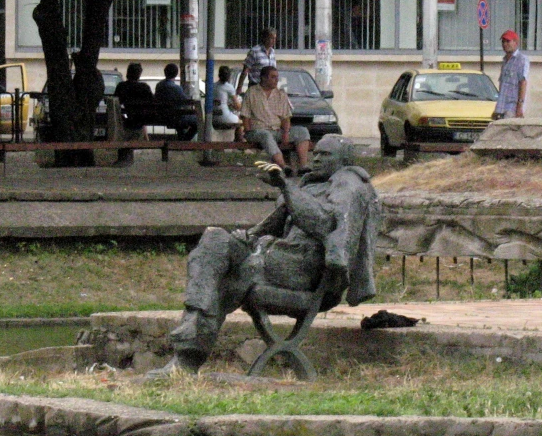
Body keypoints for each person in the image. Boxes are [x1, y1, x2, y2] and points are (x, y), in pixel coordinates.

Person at [146, 134, 380, 376]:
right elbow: (268, 228)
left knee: (228, 276)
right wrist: (242, 238)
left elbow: (323, 224)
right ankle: (188, 340)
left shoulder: (349, 185)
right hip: (275, 257)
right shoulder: (310, 185)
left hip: (303, 271)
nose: (317, 159)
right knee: (214, 240)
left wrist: (286, 188)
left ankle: (187, 358)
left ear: (344, 160)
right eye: (316, 153)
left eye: (325, 154)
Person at [240, 65, 310, 177]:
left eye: (277, 77)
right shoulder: (251, 92)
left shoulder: (280, 94)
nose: (276, 80)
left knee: (302, 131)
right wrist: (248, 133)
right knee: (266, 135)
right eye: (273, 77)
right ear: (263, 78)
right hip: (258, 131)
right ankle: (283, 166)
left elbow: (286, 117)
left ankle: (303, 167)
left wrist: (286, 133)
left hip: (277, 130)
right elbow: (245, 116)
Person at [113, 62, 153, 166]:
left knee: (126, 132)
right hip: (139, 120)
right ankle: (131, 156)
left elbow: (116, 101)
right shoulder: (144, 87)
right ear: (139, 74)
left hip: (124, 120)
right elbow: (151, 103)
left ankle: (123, 157)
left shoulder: (121, 86)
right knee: (136, 131)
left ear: (127, 73)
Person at [154, 63, 198, 141]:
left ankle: (182, 139)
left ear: (165, 72)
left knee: (178, 116)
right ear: (176, 74)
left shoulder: (159, 86)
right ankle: (184, 141)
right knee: (198, 121)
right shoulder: (176, 88)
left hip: (161, 116)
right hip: (175, 117)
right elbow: (186, 101)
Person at [493, 29, 529, 119]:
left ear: (516, 43)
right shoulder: (505, 61)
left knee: (509, 132)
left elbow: (523, 83)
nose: (505, 44)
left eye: (508, 41)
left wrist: (520, 106)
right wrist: (496, 109)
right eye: (503, 42)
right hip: (501, 106)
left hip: (513, 107)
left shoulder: (522, 59)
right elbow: (502, 85)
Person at [236, 27, 277, 93]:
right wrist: (239, 87)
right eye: (271, 38)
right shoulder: (255, 51)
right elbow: (245, 70)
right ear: (264, 38)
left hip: (269, 88)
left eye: (274, 38)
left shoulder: (272, 52)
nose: (273, 41)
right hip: (256, 87)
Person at [213, 65, 243, 141]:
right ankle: (240, 144)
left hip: (213, 117)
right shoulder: (229, 87)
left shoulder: (213, 86)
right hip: (224, 117)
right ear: (229, 76)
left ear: (219, 75)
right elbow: (238, 106)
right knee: (241, 121)